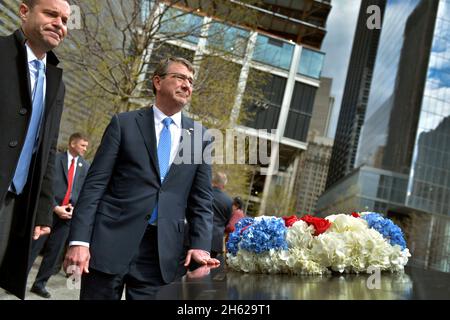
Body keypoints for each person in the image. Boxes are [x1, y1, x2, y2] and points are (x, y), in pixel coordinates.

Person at [64, 57, 220, 300]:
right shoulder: (123, 124)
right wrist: (79, 240)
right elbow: (95, 185)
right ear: (158, 81)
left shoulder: (200, 137)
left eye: (190, 81)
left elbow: (202, 199)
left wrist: (200, 244)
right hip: (110, 243)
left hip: (162, 254)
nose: (187, 85)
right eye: (179, 77)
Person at [0, 0, 71, 299]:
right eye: (51, 14)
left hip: (15, 204)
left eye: (65, 20)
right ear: (24, 11)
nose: (60, 24)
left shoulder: (56, 81)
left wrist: (42, 211)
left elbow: (47, 148)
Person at [28, 133, 90, 298]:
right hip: (48, 211)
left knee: (54, 252)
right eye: (83, 145)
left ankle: (39, 284)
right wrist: (55, 207)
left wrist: (73, 209)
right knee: (34, 247)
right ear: (72, 143)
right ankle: (17, 279)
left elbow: (84, 191)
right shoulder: (55, 160)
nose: (85, 148)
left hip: (67, 216)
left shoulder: (86, 166)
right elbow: (45, 185)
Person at [210, 172, 233, 258]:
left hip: (194, 235)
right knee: (206, 269)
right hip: (215, 240)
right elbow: (227, 221)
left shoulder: (203, 193)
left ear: (212, 181)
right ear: (223, 185)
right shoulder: (229, 201)